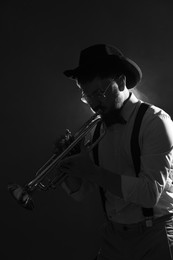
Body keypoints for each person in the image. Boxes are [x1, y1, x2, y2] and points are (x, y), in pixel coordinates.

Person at [59, 44, 173, 260]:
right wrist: (68, 166)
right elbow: (82, 192)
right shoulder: (95, 129)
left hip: (154, 234)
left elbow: (149, 194)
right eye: (87, 96)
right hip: (113, 236)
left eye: (99, 93)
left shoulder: (155, 122)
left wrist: (91, 171)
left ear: (121, 81)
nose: (94, 104)